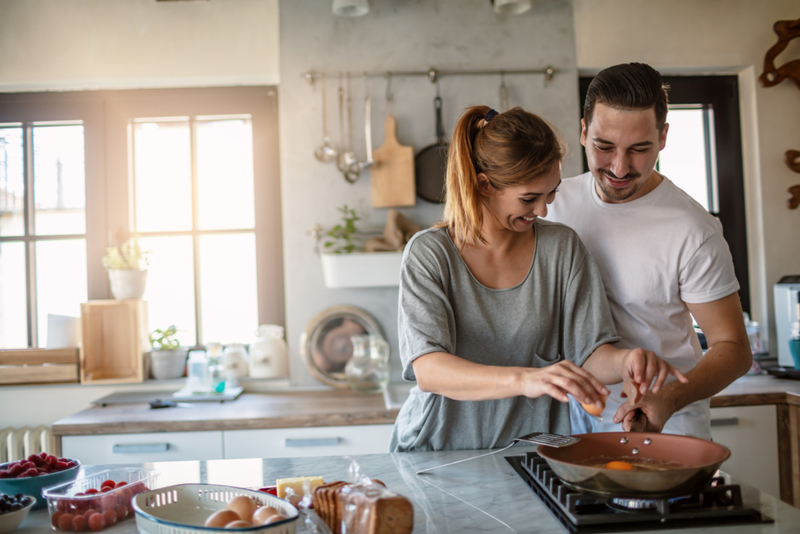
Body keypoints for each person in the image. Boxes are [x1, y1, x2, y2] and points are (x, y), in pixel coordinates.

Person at [389, 105, 686, 452]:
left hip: (535, 453)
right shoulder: (430, 254)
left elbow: (588, 354)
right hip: (438, 450)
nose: (543, 210)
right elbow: (430, 370)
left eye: (551, 193)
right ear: (484, 185)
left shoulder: (561, 248)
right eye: (529, 198)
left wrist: (627, 360)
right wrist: (527, 378)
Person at [546, 63, 752, 440]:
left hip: (665, 427)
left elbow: (734, 348)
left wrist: (670, 398)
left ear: (663, 138)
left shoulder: (692, 230)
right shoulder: (554, 206)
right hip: (566, 426)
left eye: (639, 150)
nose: (620, 168)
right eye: (603, 147)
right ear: (582, 132)